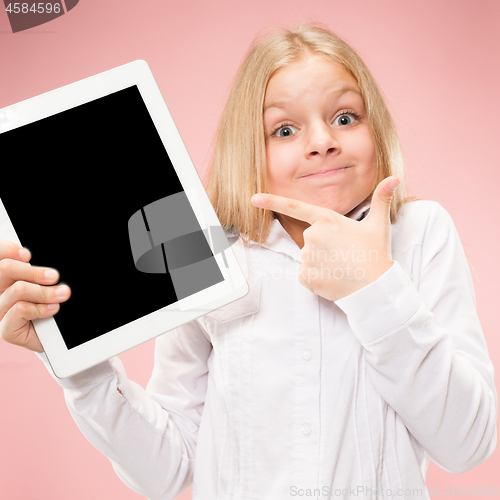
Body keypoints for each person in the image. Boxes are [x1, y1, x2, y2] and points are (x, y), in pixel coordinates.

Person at [0, 24, 497, 500]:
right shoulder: (206, 250)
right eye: (284, 129)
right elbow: (166, 471)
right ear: (249, 148)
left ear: (376, 127)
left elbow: (466, 445)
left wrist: (374, 288)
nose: (322, 140)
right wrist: (77, 362)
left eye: (345, 117)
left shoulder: (420, 233)